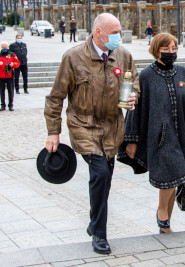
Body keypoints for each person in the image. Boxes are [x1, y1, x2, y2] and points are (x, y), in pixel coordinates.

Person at [44, 13, 140, 254]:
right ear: (99, 32)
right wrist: (53, 132)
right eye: (114, 31)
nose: (119, 36)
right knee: (99, 173)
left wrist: (133, 95)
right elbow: (56, 98)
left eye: (120, 31)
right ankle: (99, 233)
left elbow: (135, 82)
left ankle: (93, 222)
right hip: (83, 125)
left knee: (104, 177)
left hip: (112, 126)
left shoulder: (124, 56)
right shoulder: (74, 57)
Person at [118, 32, 185, 234]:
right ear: (155, 50)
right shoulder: (146, 76)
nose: (170, 52)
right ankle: (162, 214)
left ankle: (166, 222)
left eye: (173, 48)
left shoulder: (183, 72)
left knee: (174, 179)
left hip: (181, 133)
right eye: (165, 49)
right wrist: (131, 139)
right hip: (159, 136)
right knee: (170, 174)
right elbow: (135, 107)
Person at [0, 41, 20, 111]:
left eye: (5, 47)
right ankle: (2, 105)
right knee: (2, 91)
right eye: (3, 47)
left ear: (7, 47)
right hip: (1, 76)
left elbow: (17, 63)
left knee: (10, 91)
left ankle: (10, 105)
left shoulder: (12, 54)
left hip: (10, 75)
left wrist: (13, 64)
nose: (4, 48)